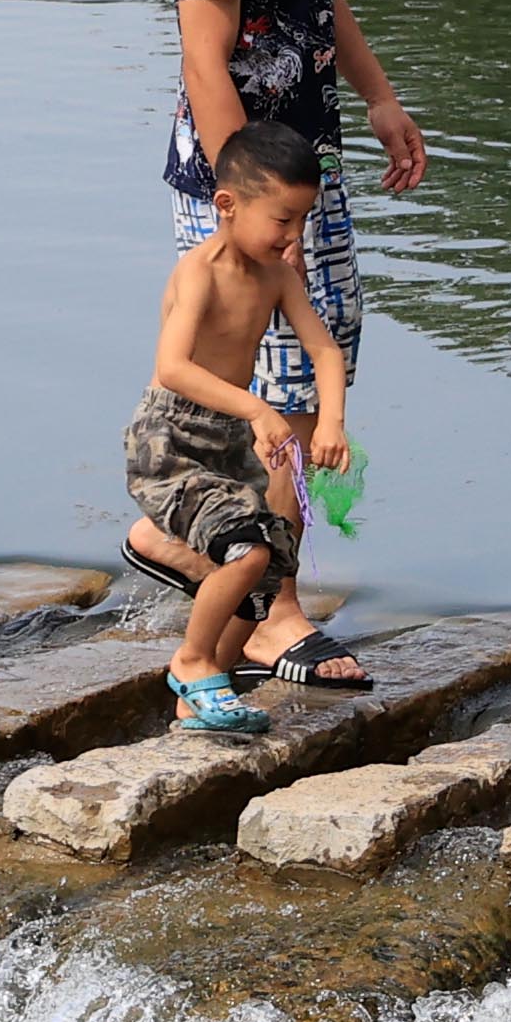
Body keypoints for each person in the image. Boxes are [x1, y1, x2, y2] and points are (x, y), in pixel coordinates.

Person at [164, 0, 425, 692]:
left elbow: (322, 6)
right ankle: (273, 615)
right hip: (245, 188)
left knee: (323, 369)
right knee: (259, 393)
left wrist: (377, 96)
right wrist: (248, 213)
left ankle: (202, 557)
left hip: (306, 168)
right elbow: (202, 53)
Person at [126, 121, 350, 737]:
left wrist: (330, 422)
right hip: (171, 442)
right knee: (245, 549)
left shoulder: (276, 275)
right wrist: (256, 409)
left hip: (228, 442)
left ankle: (198, 698)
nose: (293, 235)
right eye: (282, 220)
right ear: (227, 205)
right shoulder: (198, 273)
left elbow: (325, 353)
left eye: (302, 219)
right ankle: (192, 660)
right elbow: (173, 369)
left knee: (272, 564)